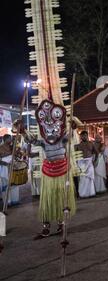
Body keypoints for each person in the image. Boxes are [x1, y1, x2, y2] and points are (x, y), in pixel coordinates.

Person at [17, 100, 76, 239]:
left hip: (62, 171)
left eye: (54, 127)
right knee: (47, 199)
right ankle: (46, 227)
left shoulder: (62, 139)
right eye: (47, 128)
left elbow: (71, 136)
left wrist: (73, 127)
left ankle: (61, 224)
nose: (50, 130)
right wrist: (23, 131)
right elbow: (32, 141)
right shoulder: (43, 141)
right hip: (48, 172)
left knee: (61, 198)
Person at [75, 131, 97, 198]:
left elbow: (97, 152)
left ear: (87, 136)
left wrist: (95, 161)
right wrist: (77, 163)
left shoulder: (91, 144)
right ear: (80, 137)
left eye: (85, 135)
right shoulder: (78, 145)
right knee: (83, 179)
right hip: (81, 164)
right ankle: (83, 194)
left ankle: (91, 193)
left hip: (89, 162)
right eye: (82, 136)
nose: (83, 137)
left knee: (90, 179)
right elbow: (74, 155)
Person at [0, 134, 20, 206]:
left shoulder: (12, 147)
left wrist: (16, 152)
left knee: (14, 183)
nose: (11, 140)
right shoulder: (0, 147)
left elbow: (17, 155)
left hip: (13, 167)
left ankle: (15, 200)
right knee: (6, 185)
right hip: (5, 168)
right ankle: (7, 202)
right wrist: (6, 164)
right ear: (5, 140)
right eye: (10, 139)